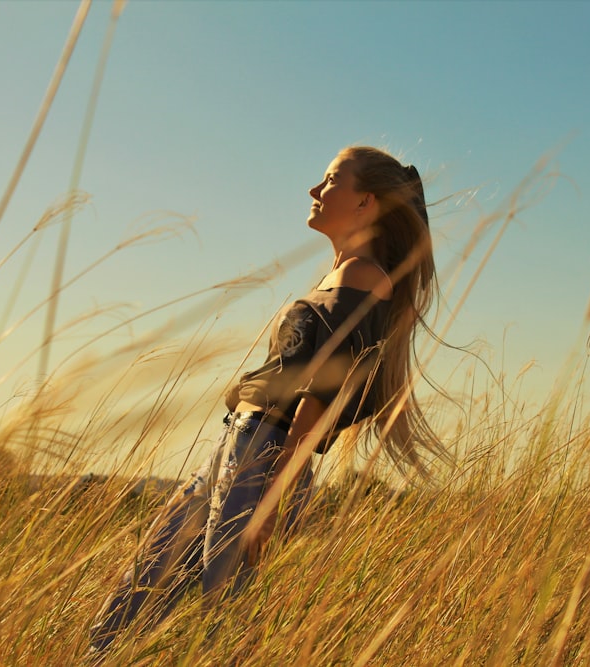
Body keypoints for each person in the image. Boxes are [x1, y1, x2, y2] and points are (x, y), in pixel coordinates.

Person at [88, 146, 447, 654]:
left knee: (223, 618)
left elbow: (324, 392)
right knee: (136, 593)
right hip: (239, 444)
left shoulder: (366, 277)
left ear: (366, 202)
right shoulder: (339, 276)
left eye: (329, 180)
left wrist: (276, 493)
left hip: (267, 453)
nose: (315, 190)